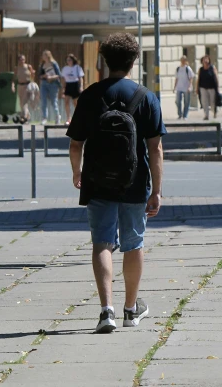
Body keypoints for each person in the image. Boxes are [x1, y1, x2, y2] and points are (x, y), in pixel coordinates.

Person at [66, 33, 166, 334]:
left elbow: (75, 144)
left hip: (97, 181)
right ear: (134, 61)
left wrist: (77, 172)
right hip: (134, 183)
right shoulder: (145, 97)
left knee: (102, 242)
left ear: (104, 61)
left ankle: (105, 310)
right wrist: (157, 190)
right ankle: (130, 310)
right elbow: (155, 149)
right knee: (134, 242)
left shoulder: (90, 95)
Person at [38, 50, 62, 125]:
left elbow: (59, 75)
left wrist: (51, 77)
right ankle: (44, 118)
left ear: (48, 56)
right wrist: (44, 76)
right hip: (44, 83)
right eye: (42, 55)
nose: (43, 56)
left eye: (44, 55)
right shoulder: (42, 64)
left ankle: (57, 117)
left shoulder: (54, 64)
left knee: (53, 101)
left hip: (53, 83)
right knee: (43, 101)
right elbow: (39, 76)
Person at [61, 54, 85, 125]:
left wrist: (81, 87)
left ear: (73, 60)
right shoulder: (65, 68)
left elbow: (81, 78)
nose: (68, 61)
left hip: (75, 84)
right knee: (66, 101)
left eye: (70, 60)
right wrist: (63, 88)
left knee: (75, 102)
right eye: (67, 60)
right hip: (68, 85)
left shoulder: (77, 67)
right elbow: (63, 79)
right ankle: (68, 118)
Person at [196, 55, 219, 120]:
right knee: (204, 102)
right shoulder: (201, 69)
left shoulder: (212, 68)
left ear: (209, 60)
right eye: (204, 59)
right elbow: (198, 79)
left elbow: (216, 77)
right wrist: (197, 88)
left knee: (212, 102)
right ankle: (206, 115)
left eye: (207, 59)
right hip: (203, 87)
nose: (205, 61)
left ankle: (214, 112)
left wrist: (218, 87)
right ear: (202, 61)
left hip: (212, 87)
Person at [15, 55, 36, 123]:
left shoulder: (28, 66)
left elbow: (32, 75)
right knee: (21, 102)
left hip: (27, 85)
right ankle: (27, 116)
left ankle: (23, 117)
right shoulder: (17, 68)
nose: (22, 61)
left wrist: (32, 75)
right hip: (20, 85)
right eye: (20, 59)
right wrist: (12, 85)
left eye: (23, 59)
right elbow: (14, 77)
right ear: (18, 60)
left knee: (24, 102)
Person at [174, 56, 195, 120]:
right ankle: (180, 114)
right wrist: (174, 87)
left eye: (184, 60)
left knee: (186, 102)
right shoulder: (178, 69)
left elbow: (191, 78)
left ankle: (185, 115)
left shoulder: (188, 68)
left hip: (186, 87)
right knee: (178, 101)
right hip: (179, 87)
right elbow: (176, 78)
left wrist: (189, 86)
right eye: (182, 60)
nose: (183, 61)